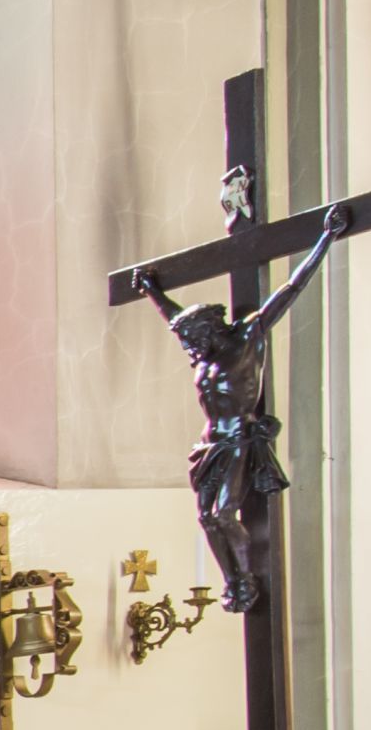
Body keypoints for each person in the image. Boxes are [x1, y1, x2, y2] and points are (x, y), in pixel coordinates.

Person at [115, 207, 351, 612]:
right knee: (207, 518)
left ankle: (244, 579)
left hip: (239, 439)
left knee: (223, 514)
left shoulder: (246, 340)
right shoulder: (204, 354)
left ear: (208, 330)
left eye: (192, 339)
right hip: (209, 444)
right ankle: (233, 580)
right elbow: (173, 316)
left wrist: (325, 239)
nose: (189, 348)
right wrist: (151, 291)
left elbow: (291, 289)